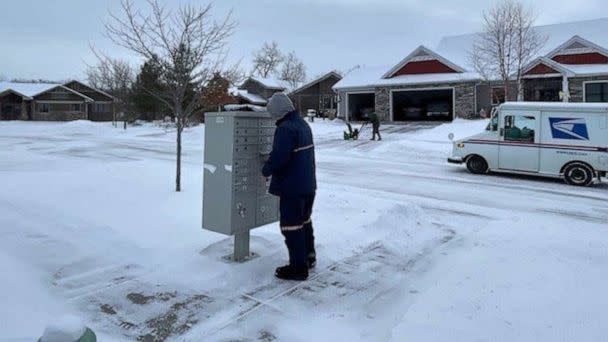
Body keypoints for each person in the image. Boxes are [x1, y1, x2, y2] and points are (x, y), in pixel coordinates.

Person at [262, 93, 317, 281]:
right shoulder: (302, 124)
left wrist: (266, 169)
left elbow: (279, 157)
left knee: (291, 227)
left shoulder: (286, 129)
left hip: (292, 187)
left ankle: (298, 268)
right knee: (304, 222)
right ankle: (309, 257)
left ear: (278, 111)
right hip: (308, 185)